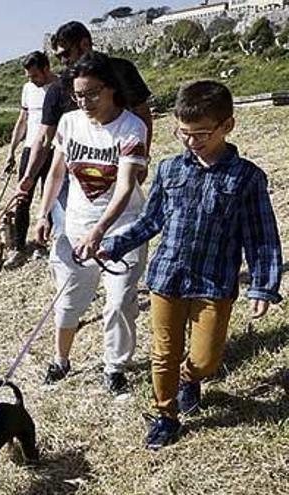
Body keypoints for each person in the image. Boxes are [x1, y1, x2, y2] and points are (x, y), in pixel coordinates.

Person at [96, 81, 283, 449]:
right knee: (162, 352)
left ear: (227, 126)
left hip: (214, 282)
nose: (192, 142)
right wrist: (113, 245)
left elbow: (261, 235)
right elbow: (151, 222)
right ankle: (165, 415)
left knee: (206, 359)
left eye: (201, 134)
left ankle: (189, 378)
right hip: (167, 277)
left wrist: (263, 284)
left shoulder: (247, 178)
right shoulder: (169, 170)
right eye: (184, 133)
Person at [34, 52, 149, 396]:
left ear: (111, 88)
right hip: (76, 226)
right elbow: (56, 172)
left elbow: (127, 186)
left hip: (122, 229)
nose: (84, 102)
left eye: (92, 93)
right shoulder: (69, 123)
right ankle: (61, 360)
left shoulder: (132, 127)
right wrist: (43, 213)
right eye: (78, 95)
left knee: (118, 303)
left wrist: (99, 233)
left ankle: (115, 367)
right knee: (68, 300)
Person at [18, 21, 153, 239]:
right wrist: (29, 176)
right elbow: (44, 138)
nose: (62, 61)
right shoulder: (58, 88)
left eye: (66, 53)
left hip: (116, 164)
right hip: (72, 168)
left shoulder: (122, 71)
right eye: (58, 56)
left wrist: (143, 157)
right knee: (66, 229)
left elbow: (142, 114)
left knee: (117, 226)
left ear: (84, 44)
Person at [2, 51, 58, 268]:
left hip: (53, 149)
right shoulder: (27, 89)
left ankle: (41, 245)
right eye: (28, 76)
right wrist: (11, 151)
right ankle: (18, 247)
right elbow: (22, 120)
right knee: (22, 198)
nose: (31, 80)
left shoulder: (59, 88)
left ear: (46, 69)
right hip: (29, 149)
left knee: (49, 198)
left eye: (34, 75)